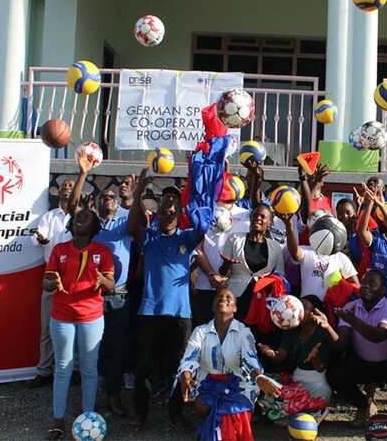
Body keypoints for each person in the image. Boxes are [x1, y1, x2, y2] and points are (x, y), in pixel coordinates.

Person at [126, 169, 206, 435]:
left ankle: (175, 413)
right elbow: (131, 227)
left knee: (178, 367)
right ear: (156, 215)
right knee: (143, 367)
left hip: (180, 314)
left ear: (179, 215)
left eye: (172, 213)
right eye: (162, 212)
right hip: (150, 312)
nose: (167, 215)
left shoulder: (186, 237)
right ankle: (140, 414)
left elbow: (202, 230)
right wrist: (139, 192)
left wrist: (195, 190)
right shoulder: (149, 237)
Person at [67, 150, 135, 417]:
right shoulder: (92, 224)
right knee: (89, 348)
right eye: (103, 197)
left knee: (116, 348)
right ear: (96, 203)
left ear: (117, 202)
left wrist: (133, 195)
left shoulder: (125, 222)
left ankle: (113, 395)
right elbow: (74, 208)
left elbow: (138, 213)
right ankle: (88, 397)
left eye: (112, 197)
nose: (108, 199)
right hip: (90, 295)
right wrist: (83, 173)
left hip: (118, 296)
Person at [42, 208, 115, 440]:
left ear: (94, 227)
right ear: (71, 224)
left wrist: (103, 279)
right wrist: (52, 283)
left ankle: (88, 417)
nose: (81, 218)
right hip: (61, 316)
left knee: (89, 369)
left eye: (88, 217)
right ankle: (58, 419)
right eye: (78, 216)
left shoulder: (102, 251)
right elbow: (46, 282)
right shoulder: (59, 249)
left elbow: (110, 283)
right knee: (63, 367)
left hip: (91, 317)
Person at [178, 289, 281, 441]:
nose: (223, 298)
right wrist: (186, 377)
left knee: (234, 411)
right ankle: (214, 429)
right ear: (213, 306)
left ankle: (218, 432)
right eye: (218, 296)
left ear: (235, 308)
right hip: (208, 381)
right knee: (202, 406)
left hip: (239, 384)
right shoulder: (201, 331)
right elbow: (190, 358)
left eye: (229, 297)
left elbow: (250, 359)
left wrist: (259, 378)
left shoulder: (244, 332)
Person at [321, 270, 387, 428]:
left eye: (372, 284)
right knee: (335, 374)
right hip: (364, 362)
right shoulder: (351, 307)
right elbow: (341, 344)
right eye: (363, 283)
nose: (365, 287)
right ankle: (365, 406)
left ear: (383, 290)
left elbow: (379, 336)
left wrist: (353, 320)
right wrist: (327, 326)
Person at [28, 178, 75, 389]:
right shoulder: (48, 217)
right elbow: (37, 240)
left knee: (75, 325)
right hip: (51, 274)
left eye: (71, 186)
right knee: (47, 325)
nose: (67, 188)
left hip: (75, 276)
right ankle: (44, 370)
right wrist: (40, 239)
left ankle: (73, 372)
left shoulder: (80, 217)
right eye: (64, 185)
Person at [257, 295, 332, 424]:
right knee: (261, 382)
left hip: (316, 387)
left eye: (304, 308)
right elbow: (281, 356)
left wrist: (314, 357)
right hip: (297, 380)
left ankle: (316, 409)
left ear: (314, 313)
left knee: (274, 403)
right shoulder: (293, 329)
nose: (298, 310)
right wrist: (271, 353)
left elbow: (320, 368)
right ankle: (299, 412)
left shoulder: (321, 332)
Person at [192, 180, 251, 326]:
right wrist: (212, 275)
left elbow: (245, 250)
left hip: (234, 287)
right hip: (206, 285)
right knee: (204, 331)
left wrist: (228, 279)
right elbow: (197, 247)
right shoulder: (205, 212)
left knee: (233, 332)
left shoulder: (245, 215)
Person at [212, 203, 284, 321]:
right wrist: (227, 264)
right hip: (237, 296)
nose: (258, 219)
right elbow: (222, 273)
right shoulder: (234, 238)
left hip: (262, 299)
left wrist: (266, 281)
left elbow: (280, 275)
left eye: (262, 216)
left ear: (270, 223)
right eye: (255, 215)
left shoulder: (275, 247)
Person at [280, 212, 358, 300]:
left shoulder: (340, 257)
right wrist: (289, 226)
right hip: (307, 306)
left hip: (329, 308)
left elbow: (355, 286)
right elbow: (295, 254)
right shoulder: (307, 251)